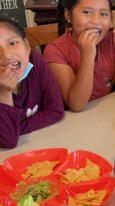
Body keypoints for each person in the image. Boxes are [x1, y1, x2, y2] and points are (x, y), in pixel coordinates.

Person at [44, 0, 115, 112]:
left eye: (103, 14)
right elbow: (77, 105)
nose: (96, 21)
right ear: (68, 14)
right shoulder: (55, 50)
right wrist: (87, 57)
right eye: (87, 12)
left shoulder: (113, 41)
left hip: (107, 113)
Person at [0, 16, 64, 149]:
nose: (6, 54)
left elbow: (55, 112)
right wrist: (4, 92)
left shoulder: (36, 62)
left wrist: (16, 129)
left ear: (27, 46)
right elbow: (8, 141)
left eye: (12, 43)